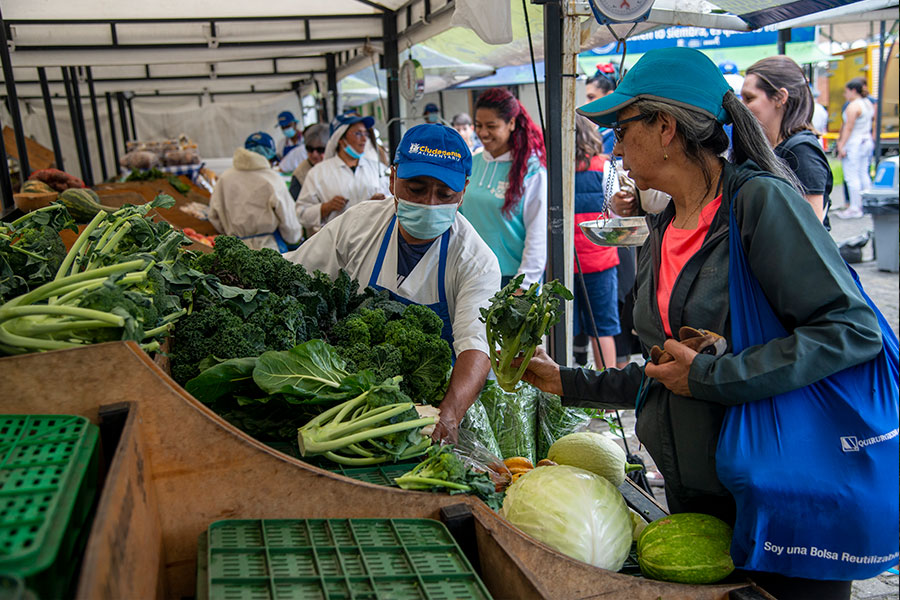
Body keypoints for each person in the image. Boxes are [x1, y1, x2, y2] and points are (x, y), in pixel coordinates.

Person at [518, 47, 882, 599]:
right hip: (697, 498)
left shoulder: (759, 202)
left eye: (622, 125)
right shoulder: (664, 224)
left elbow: (852, 329)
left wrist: (714, 376)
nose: (615, 141)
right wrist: (564, 380)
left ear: (665, 127)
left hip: (782, 494)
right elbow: (671, 370)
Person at [284, 124, 501, 442]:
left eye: (445, 194)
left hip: (432, 410)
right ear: (392, 177)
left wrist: (449, 415)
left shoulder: (475, 261)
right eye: (415, 188)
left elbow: (476, 347)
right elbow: (298, 272)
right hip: (345, 399)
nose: (429, 203)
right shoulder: (358, 225)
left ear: (464, 190)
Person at [460, 87, 547, 289]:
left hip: (512, 280)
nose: (483, 133)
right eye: (478, 125)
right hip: (471, 276)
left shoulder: (532, 170)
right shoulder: (471, 164)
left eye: (491, 126)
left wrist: (524, 285)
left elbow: (537, 234)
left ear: (511, 123)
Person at [741, 56, 833, 225]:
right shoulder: (773, 147)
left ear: (780, 97)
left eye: (749, 98)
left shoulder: (802, 150)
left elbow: (811, 228)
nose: (743, 106)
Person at [572, 115, 620, 369]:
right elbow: (618, 210)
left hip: (564, 264)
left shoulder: (550, 168)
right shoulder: (603, 166)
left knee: (564, 330)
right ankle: (607, 397)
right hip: (600, 260)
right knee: (602, 330)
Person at [208, 132, 304, 252]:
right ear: (268, 156)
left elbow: (213, 215)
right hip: (269, 249)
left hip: (235, 251)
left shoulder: (224, 178)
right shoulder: (272, 179)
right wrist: (293, 239)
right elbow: (290, 224)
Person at [296, 114, 388, 234]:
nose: (364, 139)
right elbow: (302, 213)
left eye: (365, 134)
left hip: (372, 237)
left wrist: (381, 202)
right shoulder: (318, 173)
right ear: (340, 138)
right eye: (358, 133)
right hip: (336, 241)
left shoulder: (377, 169)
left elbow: (393, 200)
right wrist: (326, 207)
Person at [835, 77, 875, 219]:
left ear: (853, 90)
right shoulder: (868, 103)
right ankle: (867, 205)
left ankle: (854, 207)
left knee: (851, 176)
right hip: (866, 140)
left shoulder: (853, 106)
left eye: (846, 92)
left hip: (854, 142)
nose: (846, 95)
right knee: (864, 173)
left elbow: (848, 128)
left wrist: (841, 145)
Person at [289, 123, 329, 200]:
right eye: (310, 149)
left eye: (320, 150)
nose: (314, 155)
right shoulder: (300, 174)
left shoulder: (339, 165)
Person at [585, 65, 618, 154]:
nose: (586, 103)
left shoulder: (615, 134)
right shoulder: (601, 130)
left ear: (609, 96)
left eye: (591, 97)